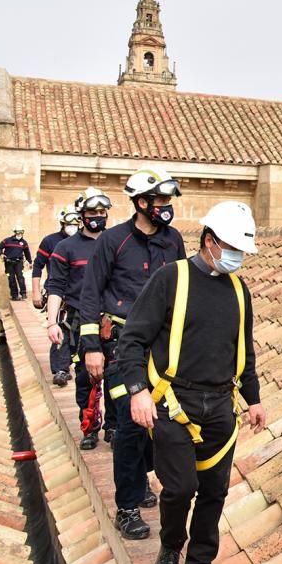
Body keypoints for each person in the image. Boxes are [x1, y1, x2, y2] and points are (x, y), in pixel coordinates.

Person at [117, 201, 265, 564]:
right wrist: (137, 390)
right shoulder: (172, 279)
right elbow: (132, 340)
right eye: (231, 247)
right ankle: (169, 551)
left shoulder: (239, 290)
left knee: (214, 491)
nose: (236, 258)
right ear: (209, 241)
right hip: (173, 403)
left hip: (219, 406)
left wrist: (253, 398)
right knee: (180, 488)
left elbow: (243, 350)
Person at [78, 167, 185, 539]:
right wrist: (91, 346)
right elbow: (90, 292)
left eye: (169, 201)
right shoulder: (114, 240)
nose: (166, 207)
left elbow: (184, 291)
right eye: (160, 201)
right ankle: (126, 507)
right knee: (128, 422)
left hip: (161, 348)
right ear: (142, 203)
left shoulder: (173, 242)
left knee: (159, 424)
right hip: (121, 346)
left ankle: (141, 479)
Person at [48, 189, 115, 448]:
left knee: (115, 376)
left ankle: (114, 428)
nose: (98, 217)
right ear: (82, 215)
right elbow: (55, 286)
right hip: (78, 318)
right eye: (92, 213)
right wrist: (52, 322)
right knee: (86, 376)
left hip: (111, 320)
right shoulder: (66, 248)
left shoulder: (115, 242)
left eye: (102, 212)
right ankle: (89, 428)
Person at [34, 204, 82, 386]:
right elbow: (37, 266)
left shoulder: (85, 242)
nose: (72, 226)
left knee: (79, 334)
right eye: (68, 223)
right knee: (60, 329)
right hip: (59, 295)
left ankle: (75, 364)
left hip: (80, 295)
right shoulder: (51, 242)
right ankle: (61, 369)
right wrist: (36, 291)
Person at [0, 226, 32, 301]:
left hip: (18, 262)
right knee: (11, 279)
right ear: (15, 232)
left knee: (20, 277)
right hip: (9, 263)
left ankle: (23, 293)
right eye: (18, 232)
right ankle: (14, 295)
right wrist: (1, 254)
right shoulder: (7, 240)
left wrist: (30, 262)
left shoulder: (24, 242)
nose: (20, 234)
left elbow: (27, 253)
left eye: (21, 232)